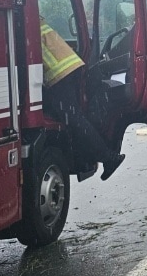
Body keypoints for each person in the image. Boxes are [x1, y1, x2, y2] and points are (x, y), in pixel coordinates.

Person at [40, 19, 125, 180]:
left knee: (74, 119)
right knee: (73, 118)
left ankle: (109, 157)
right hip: (68, 67)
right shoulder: (32, 15)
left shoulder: (23, 18)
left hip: (61, 72)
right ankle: (106, 156)